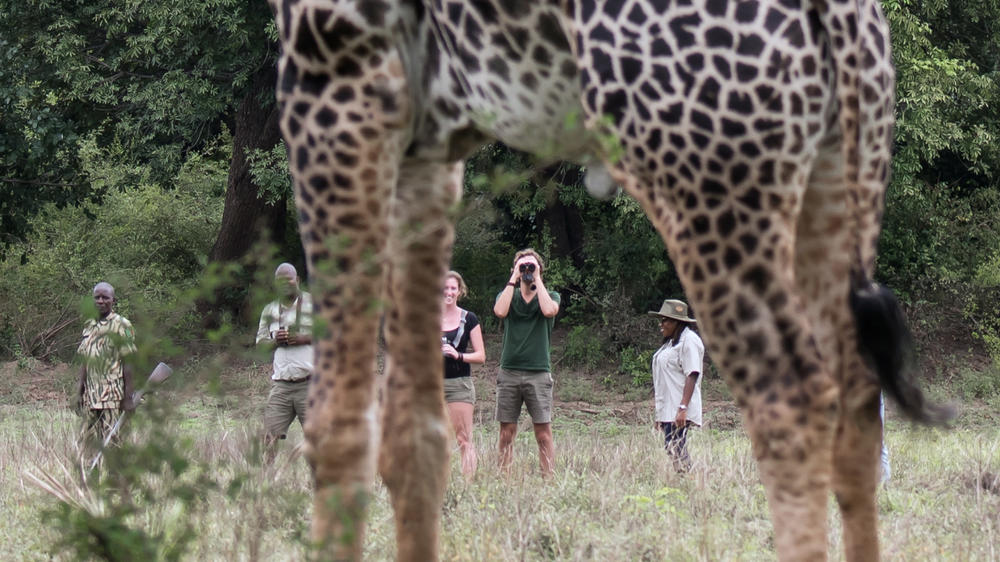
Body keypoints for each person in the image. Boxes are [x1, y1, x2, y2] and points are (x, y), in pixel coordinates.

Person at [493, 249, 560, 475]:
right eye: (523, 267)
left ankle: (548, 479)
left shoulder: (550, 295)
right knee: (506, 432)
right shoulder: (508, 295)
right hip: (509, 371)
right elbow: (499, 312)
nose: (527, 271)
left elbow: (549, 311)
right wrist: (514, 278)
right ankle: (505, 480)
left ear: (540, 269)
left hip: (538, 372)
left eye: (531, 266)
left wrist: (537, 279)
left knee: (543, 432)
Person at [256, 263, 314, 460]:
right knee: (268, 438)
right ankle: (267, 484)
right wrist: (275, 341)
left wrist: (304, 338)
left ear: (297, 280)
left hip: (309, 384)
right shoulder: (269, 311)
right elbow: (260, 345)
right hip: (281, 386)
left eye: (288, 280)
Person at [76, 282, 137, 448]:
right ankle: (90, 474)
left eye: (105, 297)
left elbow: (129, 363)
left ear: (113, 300)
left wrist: (128, 397)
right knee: (86, 444)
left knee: (113, 443)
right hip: (90, 397)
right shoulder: (89, 324)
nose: (101, 301)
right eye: (97, 297)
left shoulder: (122, 325)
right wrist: (79, 391)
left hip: (113, 398)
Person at [649, 299, 704, 473]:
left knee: (675, 444)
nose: (661, 324)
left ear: (676, 322)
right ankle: (682, 477)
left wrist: (683, 407)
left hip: (679, 406)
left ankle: (688, 477)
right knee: (670, 446)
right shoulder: (670, 343)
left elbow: (692, 373)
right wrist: (660, 413)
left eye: (665, 320)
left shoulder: (689, 341)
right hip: (669, 407)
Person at [441, 271, 485, 477]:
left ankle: (469, 486)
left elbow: (480, 356)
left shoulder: (469, 319)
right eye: (445, 287)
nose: (449, 292)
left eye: (453, 288)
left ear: (459, 291)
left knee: (463, 439)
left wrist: (457, 355)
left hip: (459, 385)